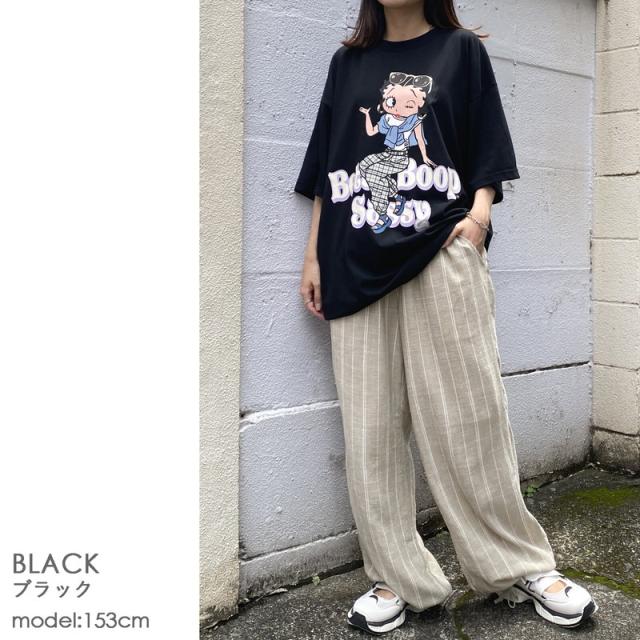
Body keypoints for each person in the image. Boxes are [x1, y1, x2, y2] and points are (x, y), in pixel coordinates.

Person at [293, 0, 598, 635]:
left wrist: (479, 216)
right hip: (352, 260)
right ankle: (397, 577)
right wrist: (314, 255)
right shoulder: (348, 63)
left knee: (469, 414)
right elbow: (328, 163)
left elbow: (487, 143)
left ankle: (518, 567)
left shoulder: (460, 51)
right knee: (371, 428)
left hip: (440, 248)